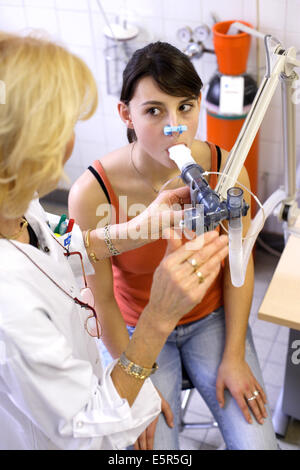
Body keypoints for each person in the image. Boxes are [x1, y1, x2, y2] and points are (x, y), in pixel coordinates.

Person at [0, 32, 229, 451]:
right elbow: (90, 431)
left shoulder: (16, 205)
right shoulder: (8, 308)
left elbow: (57, 243)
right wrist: (159, 315)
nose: (70, 140)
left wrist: (141, 227)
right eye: (62, 124)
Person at [69, 41, 278, 450]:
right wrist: (135, 378)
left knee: (259, 444)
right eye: (154, 111)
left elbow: (240, 267)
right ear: (125, 114)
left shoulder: (227, 170)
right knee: (151, 447)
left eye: (185, 107)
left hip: (212, 321)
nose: (175, 127)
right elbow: (104, 301)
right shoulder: (93, 192)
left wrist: (234, 354)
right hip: (135, 328)